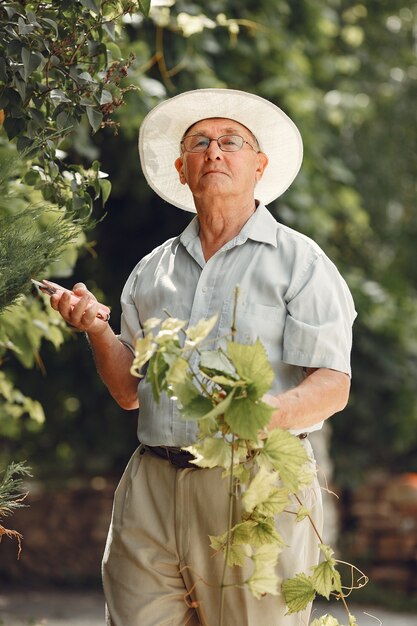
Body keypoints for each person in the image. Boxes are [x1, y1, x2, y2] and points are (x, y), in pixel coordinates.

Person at [49, 88, 356, 626]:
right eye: (199, 143)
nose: (214, 152)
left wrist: (267, 415)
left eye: (231, 141)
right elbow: (128, 392)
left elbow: (332, 384)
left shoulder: (300, 262)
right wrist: (97, 328)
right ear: (182, 169)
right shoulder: (152, 270)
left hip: (257, 484)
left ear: (259, 165)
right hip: (153, 484)